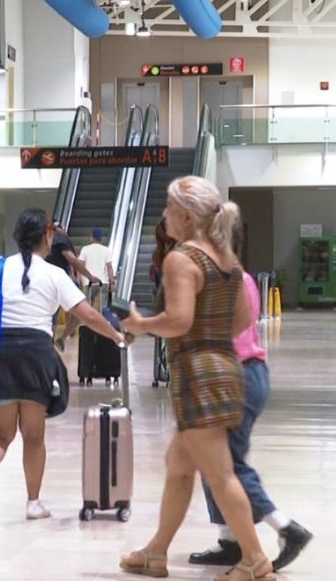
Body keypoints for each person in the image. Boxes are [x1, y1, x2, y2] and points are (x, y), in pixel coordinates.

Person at [120, 176, 274, 581]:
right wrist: (210, 332)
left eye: (169, 209)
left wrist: (140, 323)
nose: (165, 216)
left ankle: (255, 560)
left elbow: (178, 320)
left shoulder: (181, 258)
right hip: (226, 367)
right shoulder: (227, 256)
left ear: (186, 216)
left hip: (197, 376)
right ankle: (156, 552)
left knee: (221, 474)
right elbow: (242, 319)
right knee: (179, 463)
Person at [0, 208, 127, 522]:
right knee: (33, 436)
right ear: (48, 236)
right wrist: (117, 335)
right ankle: (33, 502)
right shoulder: (54, 273)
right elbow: (87, 315)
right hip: (36, 356)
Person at [189, 221, 313, 572]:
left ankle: (285, 527)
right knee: (212, 460)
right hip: (249, 374)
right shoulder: (241, 277)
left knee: (226, 465)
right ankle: (229, 540)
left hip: (235, 376)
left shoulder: (223, 281)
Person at [46, 221, 99, 348]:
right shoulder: (60, 239)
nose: (61, 228)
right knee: (81, 308)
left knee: (52, 315)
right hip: (59, 281)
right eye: (58, 226)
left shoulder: (49, 242)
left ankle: (53, 343)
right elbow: (72, 260)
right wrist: (89, 276)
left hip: (53, 281)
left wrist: (77, 277)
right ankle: (61, 338)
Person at [78, 227, 116, 308]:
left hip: (87, 283)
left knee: (87, 309)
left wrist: (79, 278)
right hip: (102, 283)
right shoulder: (106, 250)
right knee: (102, 308)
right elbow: (109, 267)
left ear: (92, 236)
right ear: (101, 238)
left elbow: (79, 265)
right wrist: (112, 282)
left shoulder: (85, 249)